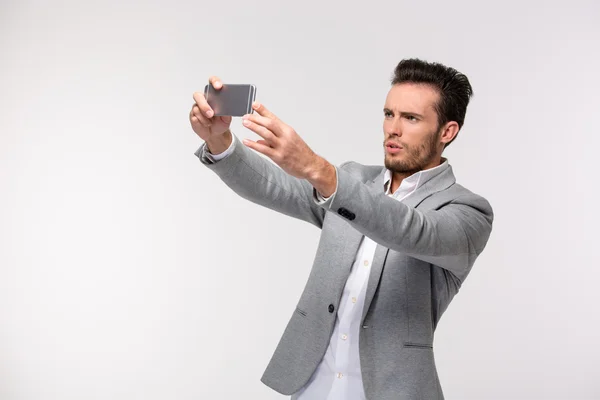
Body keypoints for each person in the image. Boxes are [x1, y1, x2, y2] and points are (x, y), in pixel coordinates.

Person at [189, 58, 494, 400]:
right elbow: (274, 186)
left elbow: (412, 230)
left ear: (447, 131)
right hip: (312, 386)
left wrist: (319, 170)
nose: (393, 128)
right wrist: (221, 142)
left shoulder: (467, 211)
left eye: (411, 118)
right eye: (388, 114)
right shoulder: (353, 180)